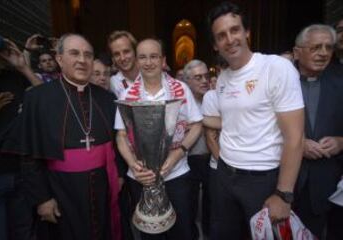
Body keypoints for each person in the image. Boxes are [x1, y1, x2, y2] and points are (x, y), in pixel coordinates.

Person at [0, 33, 122, 240]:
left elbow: (118, 143)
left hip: (102, 187)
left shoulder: (107, 99)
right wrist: (42, 198)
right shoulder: (37, 98)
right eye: (74, 53)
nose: (82, 60)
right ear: (60, 59)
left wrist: (119, 176)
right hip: (60, 189)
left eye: (88, 55)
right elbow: (28, 155)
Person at [204, 2, 305, 239]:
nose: (229, 39)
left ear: (246, 32)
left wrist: (283, 194)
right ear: (215, 45)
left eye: (234, 30)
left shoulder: (276, 67)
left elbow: (295, 137)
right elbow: (232, 122)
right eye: (221, 36)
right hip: (224, 175)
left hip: (261, 179)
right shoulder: (222, 79)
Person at [115, 38, 203, 240]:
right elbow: (120, 135)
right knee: (150, 235)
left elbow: (197, 124)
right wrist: (133, 165)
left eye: (153, 56)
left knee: (182, 231)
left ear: (163, 60)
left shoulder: (181, 89)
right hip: (142, 177)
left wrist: (179, 153)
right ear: (137, 61)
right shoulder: (128, 94)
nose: (148, 62)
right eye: (143, 57)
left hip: (176, 174)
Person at [0, 32, 42, 240]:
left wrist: (23, 67)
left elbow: (51, 100)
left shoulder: (17, 78)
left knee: (24, 232)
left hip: (22, 172)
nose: (3, 54)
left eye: (6, 49)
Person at [293, 24, 343, 239]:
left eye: (328, 47)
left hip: (328, 182)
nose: (323, 53)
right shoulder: (281, 83)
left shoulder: (340, 83)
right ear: (297, 52)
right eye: (316, 47)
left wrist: (342, 142)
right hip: (287, 181)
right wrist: (298, 144)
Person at [182, 59, 210, 239]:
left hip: (211, 159)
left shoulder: (215, 99)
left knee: (212, 205)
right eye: (198, 77)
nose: (204, 80)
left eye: (207, 76)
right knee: (188, 206)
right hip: (188, 160)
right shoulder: (181, 104)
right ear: (187, 81)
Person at [108, 31, 139, 97]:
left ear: (135, 51)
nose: (122, 58)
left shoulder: (150, 73)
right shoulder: (114, 82)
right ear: (113, 59)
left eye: (126, 51)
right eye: (117, 54)